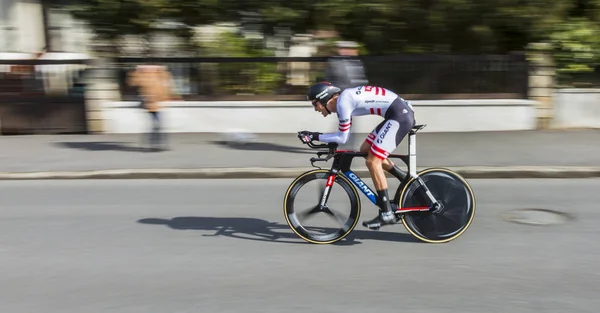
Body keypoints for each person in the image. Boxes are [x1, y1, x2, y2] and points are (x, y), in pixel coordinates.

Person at [299, 82, 415, 230]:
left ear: (323, 99)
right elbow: (343, 134)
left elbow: (342, 138)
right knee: (365, 150)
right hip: (396, 114)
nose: (315, 109)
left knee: (373, 162)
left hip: (400, 116)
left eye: (315, 104)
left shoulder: (343, 102)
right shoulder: (345, 100)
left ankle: (387, 214)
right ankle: (406, 180)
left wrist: (313, 135)